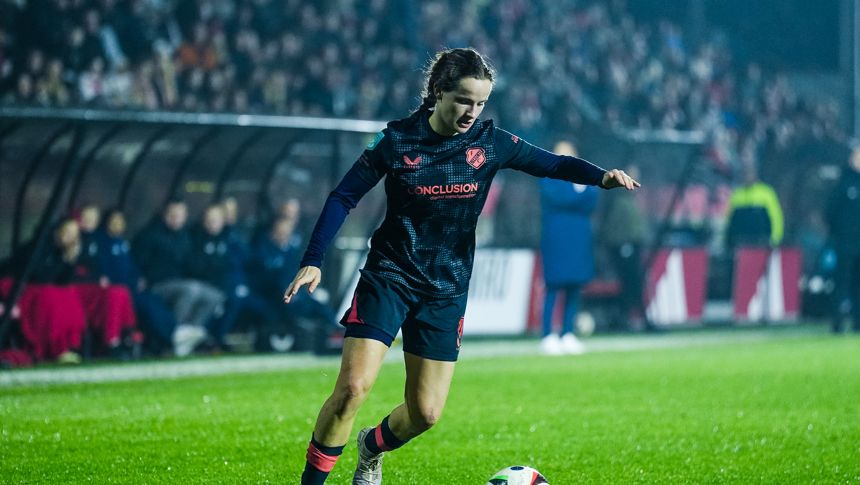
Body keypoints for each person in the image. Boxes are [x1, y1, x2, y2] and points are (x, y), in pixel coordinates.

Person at [283, 47, 639, 485]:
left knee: (426, 414)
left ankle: (370, 447)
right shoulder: (396, 140)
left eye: (481, 102)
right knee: (353, 388)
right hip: (390, 275)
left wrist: (601, 176)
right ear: (438, 92)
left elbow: (553, 164)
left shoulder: (492, 144)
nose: (473, 111)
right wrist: (313, 259)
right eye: (464, 100)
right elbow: (343, 195)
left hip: (446, 288)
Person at [131, 199, 222, 356]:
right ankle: (173, 335)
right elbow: (136, 262)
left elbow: (192, 265)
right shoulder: (150, 235)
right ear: (164, 215)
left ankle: (191, 334)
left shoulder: (185, 237)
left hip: (180, 283)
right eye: (173, 215)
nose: (176, 219)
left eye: (180, 215)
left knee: (214, 295)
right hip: (156, 285)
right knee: (191, 290)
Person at [539, 141, 599, 355]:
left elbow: (592, 199)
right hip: (556, 236)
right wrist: (579, 193)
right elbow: (562, 198)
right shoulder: (547, 175)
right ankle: (547, 334)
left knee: (574, 288)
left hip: (579, 237)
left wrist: (581, 193)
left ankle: (567, 333)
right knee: (553, 286)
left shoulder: (583, 178)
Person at [598, 163, 648, 332]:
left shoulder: (629, 199)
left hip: (631, 247)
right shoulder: (620, 201)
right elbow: (616, 230)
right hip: (625, 248)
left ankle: (630, 319)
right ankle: (625, 319)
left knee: (633, 284)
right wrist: (624, 246)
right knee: (630, 284)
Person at [826, 147, 860, 333]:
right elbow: (831, 211)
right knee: (841, 283)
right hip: (846, 244)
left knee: (858, 285)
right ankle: (837, 323)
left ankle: (858, 323)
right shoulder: (844, 184)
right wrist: (839, 234)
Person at [724, 164, 784, 250]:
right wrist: (727, 240)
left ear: (755, 175)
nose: (747, 176)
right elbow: (730, 219)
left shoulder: (766, 193)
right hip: (741, 242)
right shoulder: (737, 194)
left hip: (761, 241)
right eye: (745, 174)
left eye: (750, 174)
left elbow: (776, 217)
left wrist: (776, 238)